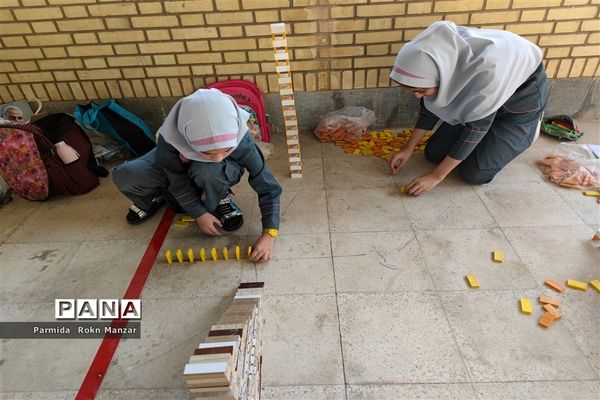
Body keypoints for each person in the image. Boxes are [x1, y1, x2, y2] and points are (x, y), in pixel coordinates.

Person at [112, 89, 282, 262]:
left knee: (209, 171)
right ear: (186, 137)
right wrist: (199, 213)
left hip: (208, 173)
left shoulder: (240, 138)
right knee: (126, 175)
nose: (218, 159)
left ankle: (220, 196)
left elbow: (267, 184)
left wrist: (270, 233)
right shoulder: (170, 136)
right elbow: (175, 177)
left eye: (227, 150)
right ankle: (153, 198)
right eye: (208, 153)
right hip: (174, 162)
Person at [388, 21, 550, 195]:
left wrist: (436, 176)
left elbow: (476, 129)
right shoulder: (443, 63)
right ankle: (490, 139)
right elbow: (430, 107)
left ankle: (528, 130)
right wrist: (408, 148)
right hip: (482, 98)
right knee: (434, 153)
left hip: (517, 107)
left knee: (474, 173)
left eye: (421, 90)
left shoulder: (485, 76)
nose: (417, 96)